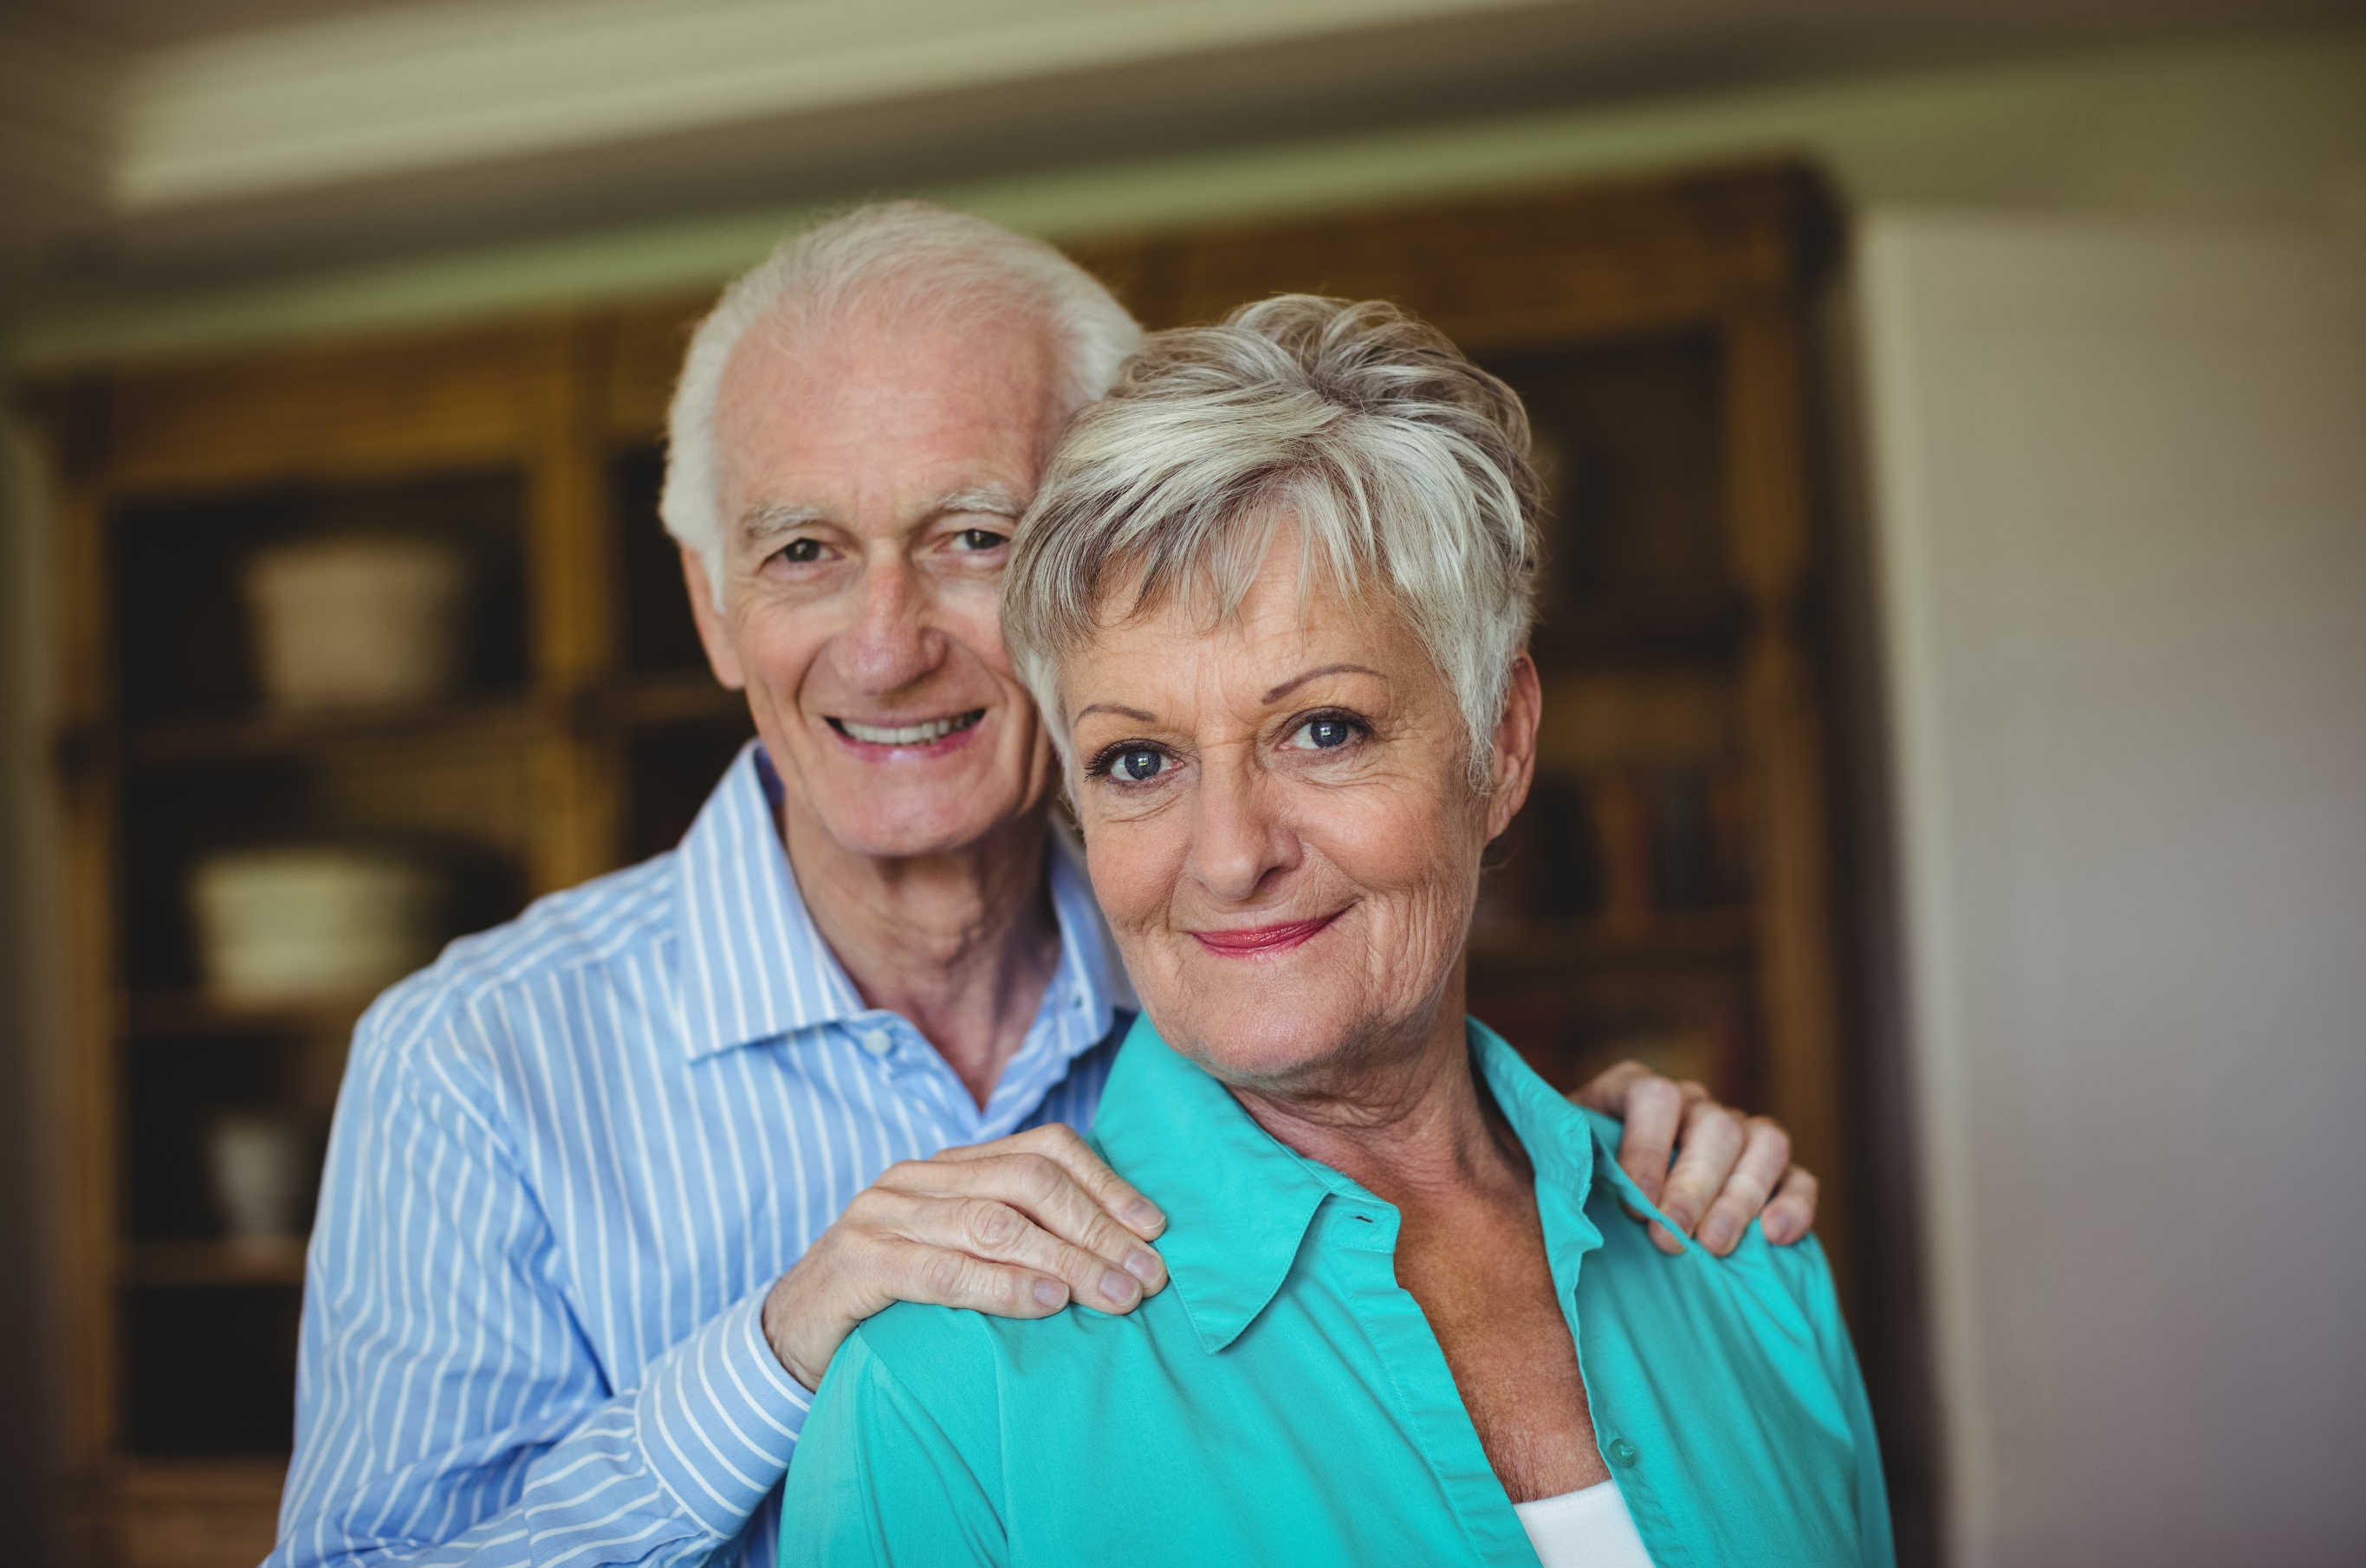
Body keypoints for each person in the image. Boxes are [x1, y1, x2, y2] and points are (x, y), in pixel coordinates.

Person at [269, 208, 1819, 1568]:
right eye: (804, 548)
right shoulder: (473, 1057)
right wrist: (770, 1351)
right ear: (713, 603)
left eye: (973, 536)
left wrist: (1595, 1158)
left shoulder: (1231, 958)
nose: (886, 644)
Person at [781, 295, 1890, 1567]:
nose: (1233, 851)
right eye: (1139, 758)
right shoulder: (942, 1392)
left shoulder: (1743, 1258)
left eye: (1324, 729)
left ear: (1501, 740)